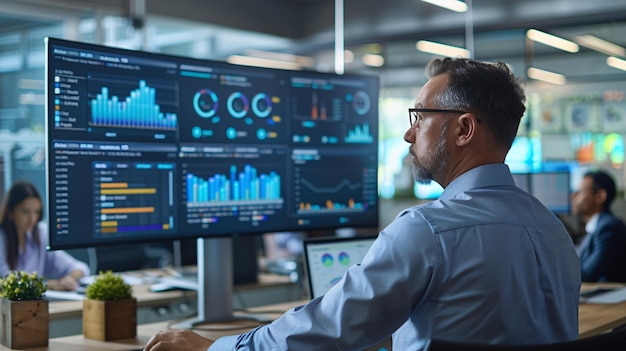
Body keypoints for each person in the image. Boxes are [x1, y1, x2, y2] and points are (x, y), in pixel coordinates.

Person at [143, 57, 580, 351]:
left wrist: (216, 346)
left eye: (420, 116)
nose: (410, 134)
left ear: (464, 129)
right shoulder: (552, 229)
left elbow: (330, 329)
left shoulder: (429, 231)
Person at [0, 181, 90, 291]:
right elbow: (6, 279)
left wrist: (69, 279)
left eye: (36, 212)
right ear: (10, 212)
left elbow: (81, 267)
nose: (32, 219)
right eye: (25, 212)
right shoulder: (2, 237)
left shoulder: (40, 233)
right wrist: (49, 284)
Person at [571, 169, 626, 282]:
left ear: (600, 196)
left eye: (580, 192)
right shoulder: (596, 227)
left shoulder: (610, 229)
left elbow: (586, 275)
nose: (573, 196)